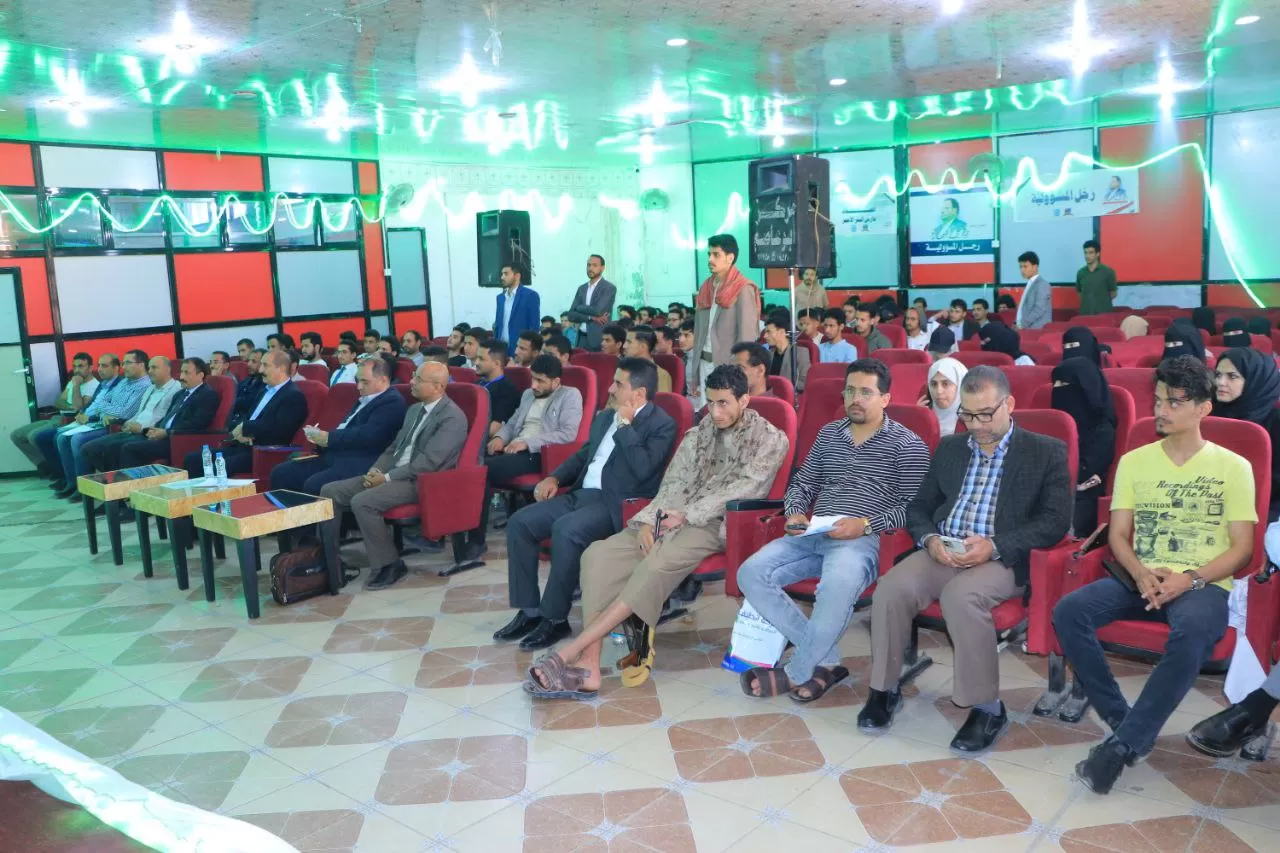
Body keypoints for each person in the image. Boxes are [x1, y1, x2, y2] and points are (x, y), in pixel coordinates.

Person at [1053, 356, 1256, 793]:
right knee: (1070, 611)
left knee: (1195, 631)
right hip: (1139, 576)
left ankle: (1121, 748)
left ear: (1204, 408)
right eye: (1158, 399)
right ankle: (1123, 721)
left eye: (1174, 402)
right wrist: (1141, 572)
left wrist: (1191, 578)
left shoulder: (1234, 468)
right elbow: (1119, 535)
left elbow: (1242, 549)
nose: (1161, 410)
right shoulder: (1135, 461)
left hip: (1201, 583)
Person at [525, 364, 790, 699]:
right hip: (672, 516)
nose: (716, 411)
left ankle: (568, 653)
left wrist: (686, 515)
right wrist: (652, 520)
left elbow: (744, 490)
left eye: (724, 403)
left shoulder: (769, 439)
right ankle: (590, 666)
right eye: (710, 402)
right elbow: (674, 482)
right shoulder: (699, 433)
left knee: (653, 564)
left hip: (718, 524)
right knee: (597, 555)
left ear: (745, 400)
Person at [859, 366, 1072, 751]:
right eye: (967, 414)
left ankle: (988, 708)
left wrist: (995, 545)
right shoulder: (951, 449)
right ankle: (885, 689)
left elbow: (1055, 522)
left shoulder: (1045, 451)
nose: (975, 425)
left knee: (962, 596)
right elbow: (920, 507)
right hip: (944, 548)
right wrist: (928, 538)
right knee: (890, 588)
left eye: (985, 414)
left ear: (1009, 404)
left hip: (1001, 557)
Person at [738, 360, 929, 701]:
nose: (856, 399)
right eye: (851, 391)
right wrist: (795, 511)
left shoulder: (907, 444)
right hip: (814, 533)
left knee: (835, 587)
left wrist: (866, 524)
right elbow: (804, 481)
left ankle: (796, 671)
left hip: (861, 540)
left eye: (866, 392)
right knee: (750, 572)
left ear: (885, 398)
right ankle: (824, 661)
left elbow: (917, 510)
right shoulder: (829, 434)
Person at [497, 358, 676, 650]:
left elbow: (644, 469)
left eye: (618, 384)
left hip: (616, 504)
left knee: (566, 530)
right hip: (581, 494)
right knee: (521, 522)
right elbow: (584, 455)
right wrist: (554, 477)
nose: (610, 387)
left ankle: (554, 618)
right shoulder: (605, 416)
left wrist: (627, 426)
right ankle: (530, 610)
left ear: (639, 394)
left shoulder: (661, 424)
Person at [321, 363, 468, 591]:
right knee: (330, 491)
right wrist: (376, 470)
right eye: (413, 377)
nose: (411, 382)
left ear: (438, 386)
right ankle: (328, 559)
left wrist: (387, 478)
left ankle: (390, 564)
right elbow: (393, 448)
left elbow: (429, 463)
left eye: (418, 379)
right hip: (392, 474)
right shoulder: (414, 410)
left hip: (423, 482)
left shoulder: (452, 418)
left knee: (363, 501)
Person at [451, 354, 584, 574]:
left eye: (540, 381)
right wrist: (500, 438)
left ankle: (476, 539)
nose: (534, 385)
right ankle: (461, 529)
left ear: (556, 381)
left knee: (482, 471)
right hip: (514, 449)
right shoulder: (527, 395)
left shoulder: (569, 395)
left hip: (541, 454)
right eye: (533, 379)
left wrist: (527, 443)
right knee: (470, 464)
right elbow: (512, 423)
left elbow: (567, 434)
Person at [270, 357, 407, 495]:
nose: (359, 386)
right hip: (336, 455)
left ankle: (308, 515)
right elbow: (346, 427)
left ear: (383, 380)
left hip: (360, 460)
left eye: (365, 382)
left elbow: (369, 435)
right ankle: (289, 515)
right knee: (281, 473)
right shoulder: (366, 397)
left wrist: (329, 438)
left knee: (313, 484)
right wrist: (321, 439)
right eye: (357, 380)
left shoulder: (392, 402)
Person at [40, 352, 151, 499]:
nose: (124, 367)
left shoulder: (144, 385)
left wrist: (106, 411)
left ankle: (87, 489)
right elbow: (103, 402)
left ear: (141, 365)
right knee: (61, 438)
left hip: (114, 425)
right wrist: (106, 411)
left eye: (127, 363)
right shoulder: (124, 382)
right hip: (100, 420)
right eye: (123, 363)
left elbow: (125, 412)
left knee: (77, 440)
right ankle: (73, 483)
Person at [181, 350, 307, 478]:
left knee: (218, 466)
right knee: (193, 459)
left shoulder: (293, 396)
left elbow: (280, 430)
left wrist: (246, 429)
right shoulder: (264, 391)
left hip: (263, 452)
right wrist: (239, 428)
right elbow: (246, 417)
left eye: (265, 365)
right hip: (241, 446)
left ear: (281, 369)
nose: (260, 369)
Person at [689, 234, 760, 405]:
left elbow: (747, 338)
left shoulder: (743, 288)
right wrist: (695, 372)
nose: (710, 259)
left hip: (728, 367)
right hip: (704, 364)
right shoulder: (706, 287)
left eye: (716, 254)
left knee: (726, 417)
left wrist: (738, 373)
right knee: (706, 419)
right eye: (709, 255)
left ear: (730, 258)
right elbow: (699, 333)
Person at [81, 356, 182, 474]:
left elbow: (166, 419)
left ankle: (120, 484)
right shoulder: (151, 388)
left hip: (148, 432)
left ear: (167, 369)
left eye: (154, 368)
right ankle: (115, 480)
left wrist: (142, 428)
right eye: (149, 368)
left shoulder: (176, 389)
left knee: (113, 448)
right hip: (133, 428)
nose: (150, 371)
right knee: (88, 448)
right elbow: (140, 412)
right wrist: (128, 423)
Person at [117, 358, 222, 469]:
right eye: (181, 372)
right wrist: (153, 429)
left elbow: (198, 423)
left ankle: (133, 485)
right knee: (117, 445)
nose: (181, 377)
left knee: (129, 448)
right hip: (164, 435)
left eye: (187, 373)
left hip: (178, 440)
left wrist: (167, 432)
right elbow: (168, 418)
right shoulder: (180, 394)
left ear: (200, 375)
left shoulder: (207, 395)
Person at [1214, 347, 1280, 520]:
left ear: (1255, 380)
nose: (1220, 382)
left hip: (1266, 507)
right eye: (1218, 374)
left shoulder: (1275, 423)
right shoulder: (1207, 413)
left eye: (1232, 376)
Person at [1051, 359, 1116, 534]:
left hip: (1082, 499)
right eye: (1054, 383)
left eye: (1064, 384)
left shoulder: (1102, 428)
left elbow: (1086, 470)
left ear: (1085, 387)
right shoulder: (1052, 424)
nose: (1057, 389)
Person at [12, 352, 98, 476]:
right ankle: (45, 465)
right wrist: (70, 404)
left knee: (34, 435)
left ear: (90, 367)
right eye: (74, 366)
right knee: (16, 435)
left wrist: (77, 386)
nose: (77, 370)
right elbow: (58, 402)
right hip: (57, 416)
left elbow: (79, 407)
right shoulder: (72, 382)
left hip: (70, 420)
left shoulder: (94, 386)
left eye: (81, 366)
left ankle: (59, 472)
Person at [564, 254, 616, 351]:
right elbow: (571, 315)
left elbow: (597, 311)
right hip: (581, 339)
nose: (590, 268)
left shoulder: (608, 288)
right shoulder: (581, 288)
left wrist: (579, 307)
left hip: (599, 339)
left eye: (595, 265)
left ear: (602, 268)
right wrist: (590, 317)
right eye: (588, 265)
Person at [474, 339, 521, 436]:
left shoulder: (506, 389)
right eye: (476, 358)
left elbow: (494, 428)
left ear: (497, 363)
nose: (476, 362)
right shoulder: (477, 383)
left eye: (481, 359)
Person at [492, 263, 540, 356]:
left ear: (517, 276)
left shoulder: (530, 295)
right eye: (502, 274)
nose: (502, 277)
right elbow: (498, 324)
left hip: (520, 349)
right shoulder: (500, 298)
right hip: (501, 349)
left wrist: (528, 350)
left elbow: (534, 327)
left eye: (506, 274)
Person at [919, 357, 968, 436]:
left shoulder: (974, 422)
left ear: (960, 386)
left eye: (945, 384)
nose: (938, 391)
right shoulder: (922, 416)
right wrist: (916, 420)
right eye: (934, 384)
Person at [763, 311, 810, 392]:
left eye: (768, 332)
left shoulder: (800, 353)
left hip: (789, 397)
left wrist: (783, 386)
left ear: (781, 332)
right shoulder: (768, 354)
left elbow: (805, 382)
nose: (765, 336)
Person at [623, 326, 672, 392]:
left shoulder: (659, 375)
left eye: (629, 342)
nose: (624, 346)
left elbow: (660, 401)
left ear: (643, 346)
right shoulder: (623, 370)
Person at [1076, 240, 1117, 315]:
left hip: (1104, 315)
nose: (1087, 256)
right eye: (1085, 253)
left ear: (1098, 254)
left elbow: (1113, 293)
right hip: (1085, 314)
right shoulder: (1080, 273)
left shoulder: (1108, 271)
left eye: (1091, 253)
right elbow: (1079, 293)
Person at [1016, 251, 1051, 330]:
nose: (1022, 270)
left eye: (1025, 266)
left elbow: (1039, 309)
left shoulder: (1042, 284)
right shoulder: (1030, 283)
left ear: (1035, 267)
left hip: (1036, 330)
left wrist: (1022, 325)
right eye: (1020, 267)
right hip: (1025, 328)